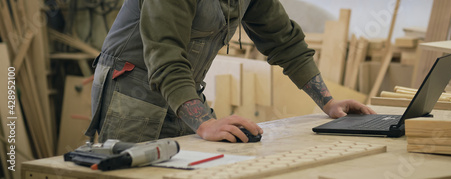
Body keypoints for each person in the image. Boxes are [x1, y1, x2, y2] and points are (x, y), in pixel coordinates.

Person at [85, 0, 376, 144]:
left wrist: (328, 102)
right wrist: (205, 124)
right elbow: (166, 57)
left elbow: (283, 39)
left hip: (183, 88)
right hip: (132, 91)